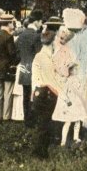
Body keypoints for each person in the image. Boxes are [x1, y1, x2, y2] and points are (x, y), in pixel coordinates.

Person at [52, 28, 87, 147]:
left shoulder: (66, 51)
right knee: (66, 118)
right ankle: (62, 138)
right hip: (64, 81)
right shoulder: (63, 52)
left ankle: (75, 137)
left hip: (68, 83)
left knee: (76, 118)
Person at [31, 28, 61, 158]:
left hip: (40, 93)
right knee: (45, 124)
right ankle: (40, 152)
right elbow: (50, 79)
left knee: (43, 124)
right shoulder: (45, 58)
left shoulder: (40, 56)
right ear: (53, 41)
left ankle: (41, 150)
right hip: (47, 93)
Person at [15, 11, 43, 127]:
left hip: (23, 67)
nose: (41, 24)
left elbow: (16, 52)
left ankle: (27, 120)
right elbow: (39, 54)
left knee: (26, 95)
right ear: (36, 21)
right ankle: (33, 120)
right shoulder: (36, 36)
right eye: (41, 22)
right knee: (34, 95)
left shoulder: (21, 35)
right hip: (34, 68)